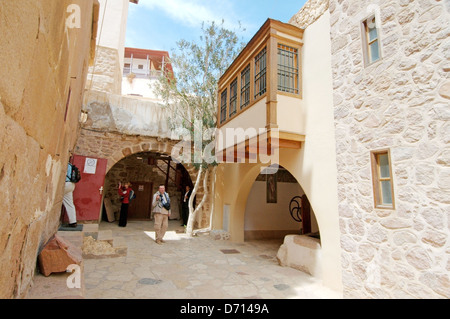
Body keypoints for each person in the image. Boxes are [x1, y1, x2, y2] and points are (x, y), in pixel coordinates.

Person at [63, 162, 78, 227]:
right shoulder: (71, 165)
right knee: (69, 203)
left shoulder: (65, 164)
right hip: (71, 184)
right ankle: (73, 221)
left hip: (66, 183)